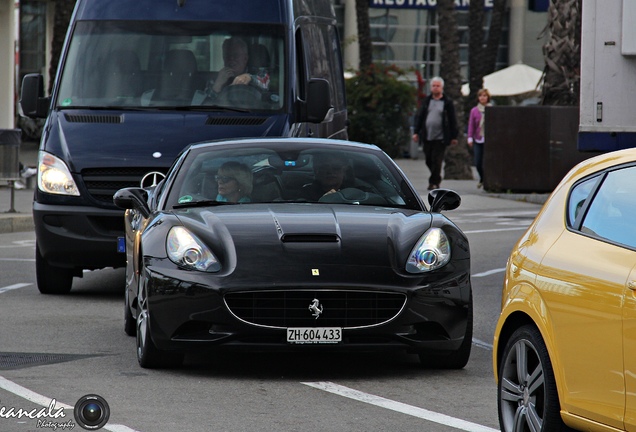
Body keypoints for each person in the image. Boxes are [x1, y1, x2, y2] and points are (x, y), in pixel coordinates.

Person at [412, 76, 459, 190]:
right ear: (431, 87)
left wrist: (454, 136)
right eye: (433, 86)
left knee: (437, 160)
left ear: (442, 88)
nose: (435, 88)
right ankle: (436, 177)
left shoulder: (447, 103)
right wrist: (416, 132)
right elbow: (420, 117)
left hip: (441, 137)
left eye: (438, 86)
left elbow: (452, 119)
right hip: (427, 135)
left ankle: (433, 182)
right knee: (428, 159)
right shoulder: (427, 101)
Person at [204, 37, 270, 99]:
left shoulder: (256, 73)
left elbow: (266, 82)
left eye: (236, 55)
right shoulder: (216, 79)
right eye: (227, 55)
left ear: (245, 59)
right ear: (223, 58)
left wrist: (250, 78)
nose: (231, 59)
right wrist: (217, 85)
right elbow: (205, 104)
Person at [467, 88, 491, 188]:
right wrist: (470, 137)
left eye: (484, 96)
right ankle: (482, 177)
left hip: (489, 139)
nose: (482, 98)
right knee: (478, 162)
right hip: (478, 139)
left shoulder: (491, 109)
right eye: (480, 96)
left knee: (487, 162)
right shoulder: (474, 111)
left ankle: (487, 181)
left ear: (488, 97)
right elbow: (471, 125)